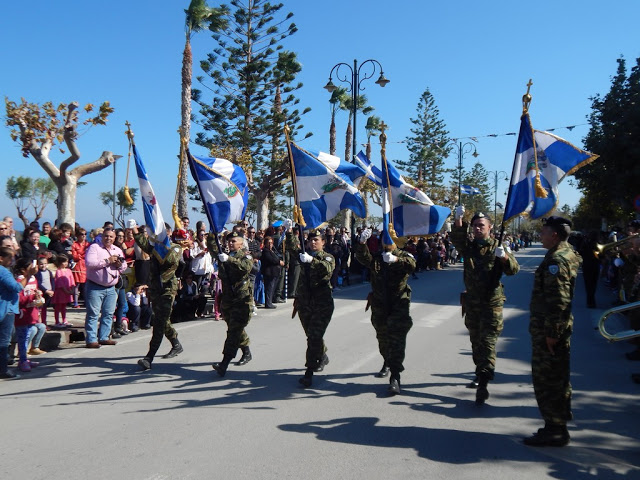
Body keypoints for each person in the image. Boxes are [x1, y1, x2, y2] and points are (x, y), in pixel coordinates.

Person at [450, 207, 520, 405]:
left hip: (491, 303)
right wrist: (458, 219)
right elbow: (458, 239)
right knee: (476, 342)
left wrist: (504, 257)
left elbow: (514, 270)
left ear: (490, 228)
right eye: (475, 226)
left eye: (482, 226)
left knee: (488, 342)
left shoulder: (498, 247)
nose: (478, 229)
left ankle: (483, 381)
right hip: (472, 302)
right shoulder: (469, 247)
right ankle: (480, 372)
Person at [523, 216, 581, 447]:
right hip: (555, 327)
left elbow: (559, 300)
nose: (540, 235)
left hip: (550, 330)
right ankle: (556, 426)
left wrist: (552, 332)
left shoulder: (556, 259)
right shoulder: (568, 252)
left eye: (544, 232)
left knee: (548, 379)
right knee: (558, 378)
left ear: (554, 235)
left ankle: (555, 428)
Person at [355, 228, 416, 395]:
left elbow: (412, 265)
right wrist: (361, 243)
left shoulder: (404, 255)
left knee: (396, 340)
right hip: (380, 304)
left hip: (398, 305)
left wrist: (396, 260)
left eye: (390, 238)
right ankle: (387, 361)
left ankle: (395, 376)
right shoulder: (377, 258)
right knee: (382, 338)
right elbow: (362, 258)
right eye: (384, 238)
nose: (386, 242)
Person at [285, 222, 335, 388]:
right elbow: (292, 248)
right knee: (312, 336)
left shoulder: (328, 257)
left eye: (316, 240)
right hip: (305, 303)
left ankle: (309, 372)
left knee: (314, 336)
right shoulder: (303, 254)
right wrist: (290, 232)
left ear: (323, 242)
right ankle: (322, 354)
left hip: (322, 304)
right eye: (311, 240)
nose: (313, 243)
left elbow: (326, 269)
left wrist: (312, 260)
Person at [135, 227, 187, 370]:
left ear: (167, 234)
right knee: (162, 319)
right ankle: (176, 344)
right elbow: (142, 243)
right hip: (156, 289)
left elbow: (169, 260)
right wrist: (136, 231)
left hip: (168, 290)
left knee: (159, 322)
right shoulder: (154, 247)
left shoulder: (176, 248)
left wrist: (159, 246)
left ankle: (149, 357)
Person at [207, 230, 254, 376]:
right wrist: (212, 233)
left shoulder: (246, 256)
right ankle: (246, 351)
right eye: (229, 241)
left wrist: (228, 259)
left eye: (234, 241)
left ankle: (224, 363)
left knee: (233, 331)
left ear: (241, 244)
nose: (230, 243)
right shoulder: (223, 255)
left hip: (241, 299)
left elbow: (245, 268)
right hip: (227, 299)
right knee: (234, 328)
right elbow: (212, 248)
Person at [83, 227, 127, 348]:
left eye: (111, 236)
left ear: (114, 238)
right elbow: (89, 263)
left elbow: (124, 267)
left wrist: (119, 264)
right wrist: (107, 260)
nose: (108, 238)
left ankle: (104, 337)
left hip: (111, 288)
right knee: (93, 313)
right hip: (95, 286)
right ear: (102, 237)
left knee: (108, 313)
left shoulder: (117, 250)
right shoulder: (94, 248)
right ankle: (91, 339)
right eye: (106, 236)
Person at [0, 247, 37, 379]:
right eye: (10, 257)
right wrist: (28, 275)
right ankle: (3, 369)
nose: (13, 260)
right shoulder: (3, 272)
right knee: (4, 341)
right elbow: (16, 287)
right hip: (6, 309)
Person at [14, 258, 45, 372]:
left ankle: (25, 358)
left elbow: (34, 291)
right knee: (23, 337)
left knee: (30, 334)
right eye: (30, 267)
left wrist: (37, 295)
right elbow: (19, 298)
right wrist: (30, 298)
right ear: (23, 270)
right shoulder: (19, 281)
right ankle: (22, 360)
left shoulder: (34, 279)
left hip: (32, 312)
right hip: (22, 313)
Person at [52, 254, 75, 328]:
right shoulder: (58, 271)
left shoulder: (69, 270)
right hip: (60, 292)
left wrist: (72, 289)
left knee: (64, 307)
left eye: (67, 262)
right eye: (64, 262)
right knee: (58, 307)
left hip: (68, 290)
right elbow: (60, 283)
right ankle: (57, 321)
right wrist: (66, 291)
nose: (66, 263)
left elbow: (72, 280)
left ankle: (64, 320)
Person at [261, 236, 283, 309]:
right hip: (269, 272)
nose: (270, 244)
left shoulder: (273, 250)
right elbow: (271, 260)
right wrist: (279, 262)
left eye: (271, 243)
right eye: (268, 243)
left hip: (275, 272)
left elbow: (277, 257)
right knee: (269, 288)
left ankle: (270, 301)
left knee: (272, 287)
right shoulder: (265, 251)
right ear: (265, 244)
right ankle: (268, 303)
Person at [71, 228, 90, 308]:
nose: (84, 236)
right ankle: (75, 302)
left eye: (85, 234)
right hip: (78, 266)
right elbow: (75, 256)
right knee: (76, 285)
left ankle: (86, 301)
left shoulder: (88, 244)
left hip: (85, 266)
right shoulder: (74, 244)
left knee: (86, 285)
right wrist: (83, 254)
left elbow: (89, 255)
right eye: (82, 234)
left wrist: (81, 255)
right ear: (78, 235)